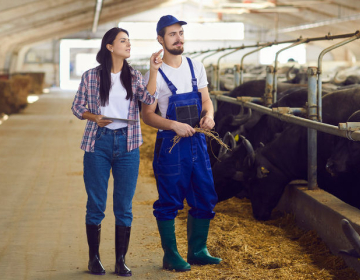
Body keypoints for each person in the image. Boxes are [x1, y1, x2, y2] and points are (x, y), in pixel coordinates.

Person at [71, 27, 162, 276]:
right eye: (123, 41)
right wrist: (94, 116)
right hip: (97, 142)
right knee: (96, 204)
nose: (128, 44)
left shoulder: (133, 76)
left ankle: (120, 260)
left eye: (129, 41)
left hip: (128, 143)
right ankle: (94, 260)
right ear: (110, 47)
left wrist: (153, 71)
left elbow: (149, 99)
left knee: (124, 206)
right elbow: (77, 107)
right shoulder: (90, 76)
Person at [142, 15, 222, 272]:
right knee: (170, 200)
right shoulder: (154, 73)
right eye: (172, 34)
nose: (179, 38)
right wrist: (174, 125)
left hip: (198, 141)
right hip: (171, 144)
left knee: (204, 196)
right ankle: (171, 256)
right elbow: (148, 114)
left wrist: (209, 116)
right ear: (160, 39)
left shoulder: (195, 66)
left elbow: (207, 101)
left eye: (180, 33)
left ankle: (198, 251)